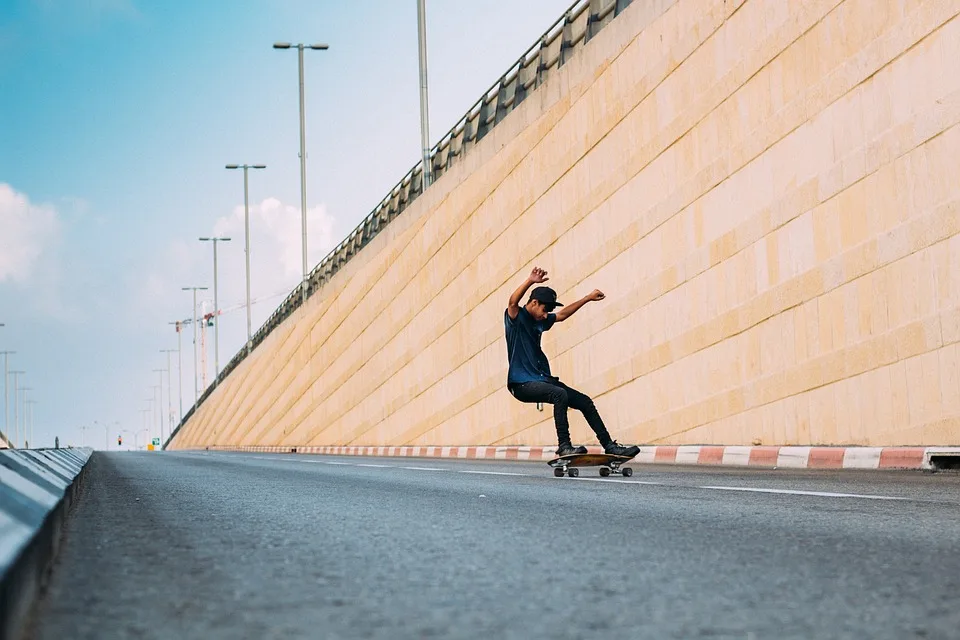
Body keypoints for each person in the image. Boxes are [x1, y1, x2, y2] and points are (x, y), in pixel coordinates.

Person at [504, 267, 640, 457]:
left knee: (584, 402)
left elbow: (562, 315)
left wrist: (587, 298)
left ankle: (609, 446)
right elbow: (512, 301)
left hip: (542, 379)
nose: (546, 315)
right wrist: (530, 281)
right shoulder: (516, 317)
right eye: (545, 310)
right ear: (534, 302)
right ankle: (564, 446)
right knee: (559, 394)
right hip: (521, 383)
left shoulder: (540, 320)